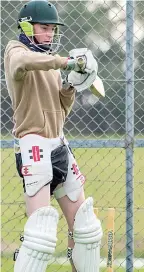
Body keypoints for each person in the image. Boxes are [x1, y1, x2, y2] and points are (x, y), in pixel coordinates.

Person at [4, 1, 103, 271]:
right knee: (40, 236)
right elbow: (23, 62)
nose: (50, 34)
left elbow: (61, 111)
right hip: (33, 144)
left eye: (52, 29)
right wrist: (64, 61)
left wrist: (70, 84)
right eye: (44, 28)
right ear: (26, 27)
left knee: (86, 229)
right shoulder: (17, 51)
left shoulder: (49, 63)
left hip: (59, 144)